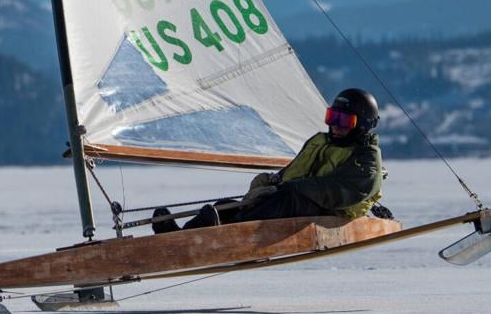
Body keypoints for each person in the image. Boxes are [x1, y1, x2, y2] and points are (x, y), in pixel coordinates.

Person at [153, 88, 385, 233]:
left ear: (362, 125)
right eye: (332, 117)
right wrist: (271, 182)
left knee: (285, 198)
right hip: (298, 200)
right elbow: (295, 172)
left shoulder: (366, 158)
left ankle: (226, 231)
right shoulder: (321, 142)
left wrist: (288, 188)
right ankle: (180, 235)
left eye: (344, 120)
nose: (335, 124)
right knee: (228, 204)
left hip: (332, 214)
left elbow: (338, 192)